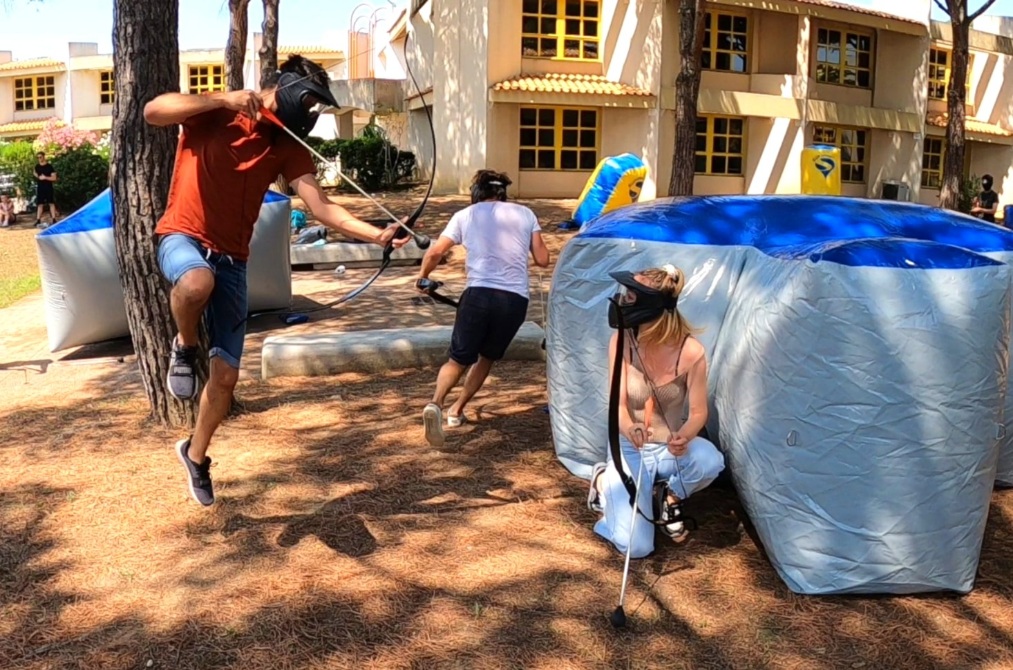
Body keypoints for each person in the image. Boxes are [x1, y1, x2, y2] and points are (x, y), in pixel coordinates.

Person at [144, 54, 411, 506]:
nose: (311, 114)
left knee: (226, 378)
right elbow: (154, 111)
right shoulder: (215, 113)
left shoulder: (287, 145)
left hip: (233, 260)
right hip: (183, 237)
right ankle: (184, 346)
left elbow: (323, 208)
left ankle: (195, 454)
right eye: (309, 102)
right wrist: (221, 98)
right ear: (285, 88)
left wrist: (377, 234)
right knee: (194, 284)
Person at [586, 265, 725, 557]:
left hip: (666, 451)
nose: (622, 300)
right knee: (636, 548)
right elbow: (618, 405)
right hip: (631, 448)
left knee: (710, 460)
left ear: (651, 305)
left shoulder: (692, 352)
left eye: (631, 296)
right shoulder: (621, 341)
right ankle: (603, 482)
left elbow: (699, 412)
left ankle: (669, 497)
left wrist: (683, 437)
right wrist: (629, 427)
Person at [417, 169, 550, 446]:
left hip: (477, 295)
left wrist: (423, 277)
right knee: (486, 357)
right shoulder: (526, 214)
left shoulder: (465, 215)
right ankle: (457, 409)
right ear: (503, 192)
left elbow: (435, 252)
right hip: (514, 300)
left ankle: (436, 404)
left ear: (477, 193)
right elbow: (542, 259)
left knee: (458, 359)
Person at [33, 152, 57, 228]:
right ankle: (38, 220)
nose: (39, 159)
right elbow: (35, 172)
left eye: (40, 157)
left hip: (48, 187)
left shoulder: (49, 167)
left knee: (51, 203)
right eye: (38, 157)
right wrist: (38, 176)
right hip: (40, 187)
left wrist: (45, 177)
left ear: (44, 157)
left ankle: (53, 219)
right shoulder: (37, 166)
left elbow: (54, 178)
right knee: (40, 204)